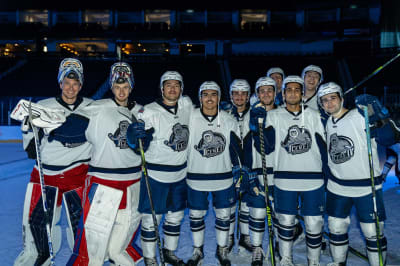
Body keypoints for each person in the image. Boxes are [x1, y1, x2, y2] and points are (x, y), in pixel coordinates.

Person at [46, 62, 148, 265]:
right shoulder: (97, 108)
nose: (121, 91)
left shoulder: (142, 111)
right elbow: (71, 128)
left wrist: (142, 141)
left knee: (119, 248)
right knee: (92, 249)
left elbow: (149, 147)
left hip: (134, 184)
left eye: (125, 86)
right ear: (111, 87)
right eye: (117, 86)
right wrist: (50, 129)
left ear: (131, 87)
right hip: (103, 183)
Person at [13, 58, 93, 266]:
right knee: (38, 223)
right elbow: (31, 151)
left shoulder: (92, 107)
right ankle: (43, 256)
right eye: (66, 82)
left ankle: (82, 259)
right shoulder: (43, 107)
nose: (71, 87)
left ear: (81, 85)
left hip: (78, 173)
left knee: (80, 224)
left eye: (75, 84)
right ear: (60, 84)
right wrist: (28, 130)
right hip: (46, 174)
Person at [250, 75, 326, 266]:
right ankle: (285, 259)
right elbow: (264, 148)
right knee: (285, 221)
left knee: (314, 222)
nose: (292, 93)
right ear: (282, 94)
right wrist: (256, 127)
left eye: (296, 89)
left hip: (313, 179)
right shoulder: (274, 116)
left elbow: (325, 147)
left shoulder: (315, 115)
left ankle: (314, 261)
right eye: (288, 89)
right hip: (284, 178)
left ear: (301, 93)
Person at [317, 82, 390, 266]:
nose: (329, 103)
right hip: (337, 186)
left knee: (372, 231)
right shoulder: (326, 122)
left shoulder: (360, 114)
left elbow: (390, 137)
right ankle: (338, 262)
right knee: (336, 227)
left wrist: (379, 112)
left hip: (366, 186)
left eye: (333, 98)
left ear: (341, 98)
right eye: (324, 100)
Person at [137, 71, 193, 266]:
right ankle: (150, 257)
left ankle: (169, 251)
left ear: (182, 88)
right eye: (168, 85)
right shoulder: (149, 111)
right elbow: (137, 142)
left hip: (180, 174)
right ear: (162, 89)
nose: (172, 89)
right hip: (155, 175)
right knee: (151, 219)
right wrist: (138, 137)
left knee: (176, 217)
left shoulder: (186, 105)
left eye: (176, 85)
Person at [185, 81, 242, 266]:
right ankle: (198, 251)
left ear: (219, 97)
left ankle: (222, 250)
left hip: (223, 176)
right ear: (200, 97)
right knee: (196, 215)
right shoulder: (190, 117)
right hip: (195, 175)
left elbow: (236, 149)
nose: (209, 98)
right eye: (205, 94)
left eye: (213, 94)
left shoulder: (228, 119)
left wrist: (239, 170)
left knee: (224, 215)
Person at [242, 76, 278, 265]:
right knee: (257, 213)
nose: (266, 94)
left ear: (275, 92)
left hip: (279, 172)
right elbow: (246, 147)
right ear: (257, 94)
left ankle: (280, 246)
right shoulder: (249, 115)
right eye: (261, 90)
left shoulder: (282, 114)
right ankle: (257, 249)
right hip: (258, 171)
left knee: (281, 215)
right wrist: (249, 173)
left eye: (269, 90)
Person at [226, 79, 252, 254]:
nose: (239, 97)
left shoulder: (256, 113)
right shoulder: (224, 114)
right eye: (236, 93)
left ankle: (244, 237)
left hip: (250, 165)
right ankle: (228, 237)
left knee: (246, 204)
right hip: (229, 166)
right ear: (231, 95)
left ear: (249, 96)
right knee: (228, 205)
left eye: (243, 93)